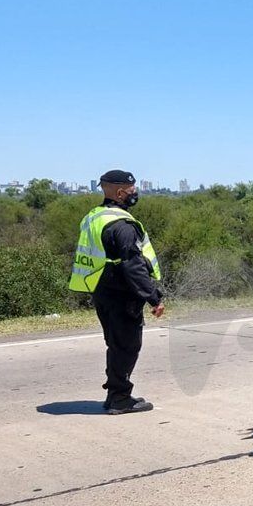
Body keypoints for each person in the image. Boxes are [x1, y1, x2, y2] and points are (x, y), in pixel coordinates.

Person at [69, 170, 165, 414]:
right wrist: (153, 297)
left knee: (115, 344)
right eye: (131, 189)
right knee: (127, 346)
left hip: (102, 290)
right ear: (120, 191)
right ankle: (120, 398)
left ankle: (115, 394)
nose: (135, 193)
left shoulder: (94, 216)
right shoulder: (122, 225)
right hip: (122, 295)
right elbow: (132, 266)